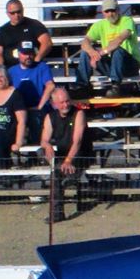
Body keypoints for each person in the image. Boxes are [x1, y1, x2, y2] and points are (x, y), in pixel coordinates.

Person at [40, 87, 94, 223]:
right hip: (62, 153)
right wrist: (47, 146)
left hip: (79, 154)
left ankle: (57, 213)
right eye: (62, 102)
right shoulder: (50, 117)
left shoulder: (78, 114)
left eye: (67, 101)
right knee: (42, 152)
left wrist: (69, 160)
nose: (65, 105)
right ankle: (59, 169)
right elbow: (44, 139)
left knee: (56, 174)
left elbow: (77, 141)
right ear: (54, 104)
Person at [77, 0, 140, 98]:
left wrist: (100, 53)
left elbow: (119, 39)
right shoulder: (99, 25)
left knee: (118, 50)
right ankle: (82, 86)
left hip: (130, 65)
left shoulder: (127, 21)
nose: (110, 14)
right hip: (112, 65)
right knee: (85, 52)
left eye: (113, 10)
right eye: (107, 11)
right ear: (102, 12)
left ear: (118, 10)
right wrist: (92, 52)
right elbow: (85, 42)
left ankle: (115, 86)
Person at [8, 43, 54, 144]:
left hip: (37, 109)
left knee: (35, 121)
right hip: (18, 109)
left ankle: (35, 154)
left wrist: (40, 106)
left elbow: (50, 85)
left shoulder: (42, 67)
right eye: (25, 54)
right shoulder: (11, 71)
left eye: (30, 53)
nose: (28, 56)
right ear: (19, 54)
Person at [0, 0, 53, 68]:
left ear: (23, 10)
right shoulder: (2, 31)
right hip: (11, 70)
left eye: (19, 12)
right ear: (7, 13)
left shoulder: (34, 25)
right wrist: (1, 70)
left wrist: (37, 60)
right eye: (13, 13)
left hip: (32, 67)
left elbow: (47, 43)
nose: (16, 15)